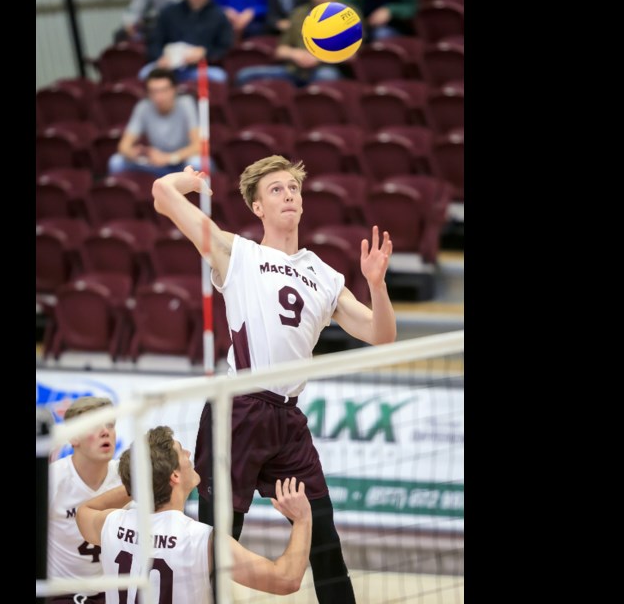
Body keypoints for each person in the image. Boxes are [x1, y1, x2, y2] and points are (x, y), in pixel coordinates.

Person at [151, 156, 396, 604]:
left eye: (294, 189)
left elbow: (382, 334)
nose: (289, 196)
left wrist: (376, 285)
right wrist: (188, 180)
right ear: (257, 207)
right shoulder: (237, 252)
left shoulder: (324, 274)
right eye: (277, 190)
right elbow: (163, 196)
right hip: (237, 411)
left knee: (325, 542)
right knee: (217, 542)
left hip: (287, 420)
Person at [76, 426, 313, 603]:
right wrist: (302, 519)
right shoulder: (203, 540)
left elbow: (84, 511)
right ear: (175, 477)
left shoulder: (112, 522)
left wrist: (140, 481)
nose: (189, 454)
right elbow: (286, 580)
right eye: (182, 452)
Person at [47, 396, 125, 604]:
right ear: (73, 438)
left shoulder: (124, 476)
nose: (105, 431)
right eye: (93, 426)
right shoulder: (53, 479)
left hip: (110, 592)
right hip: (61, 594)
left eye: (110, 424)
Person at [236, 0, 349, 86]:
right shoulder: (298, 13)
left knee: (326, 76)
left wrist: (318, 58)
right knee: (245, 75)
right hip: (294, 69)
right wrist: (295, 54)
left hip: (324, 68)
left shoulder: (346, 13)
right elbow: (280, 50)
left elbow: (352, 54)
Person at [139, 0, 233, 85]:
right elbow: (154, 42)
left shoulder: (219, 16)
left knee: (218, 77)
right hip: (168, 67)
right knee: (144, 73)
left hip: (200, 67)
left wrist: (204, 53)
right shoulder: (169, 12)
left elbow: (224, 48)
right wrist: (161, 58)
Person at [108, 68, 209, 177]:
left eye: (164, 90)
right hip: (156, 163)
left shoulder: (186, 104)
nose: (159, 97)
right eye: (154, 92)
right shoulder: (143, 107)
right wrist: (133, 153)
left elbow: (200, 146)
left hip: (182, 162)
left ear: (174, 89)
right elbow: (123, 145)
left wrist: (169, 158)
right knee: (116, 162)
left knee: (197, 162)